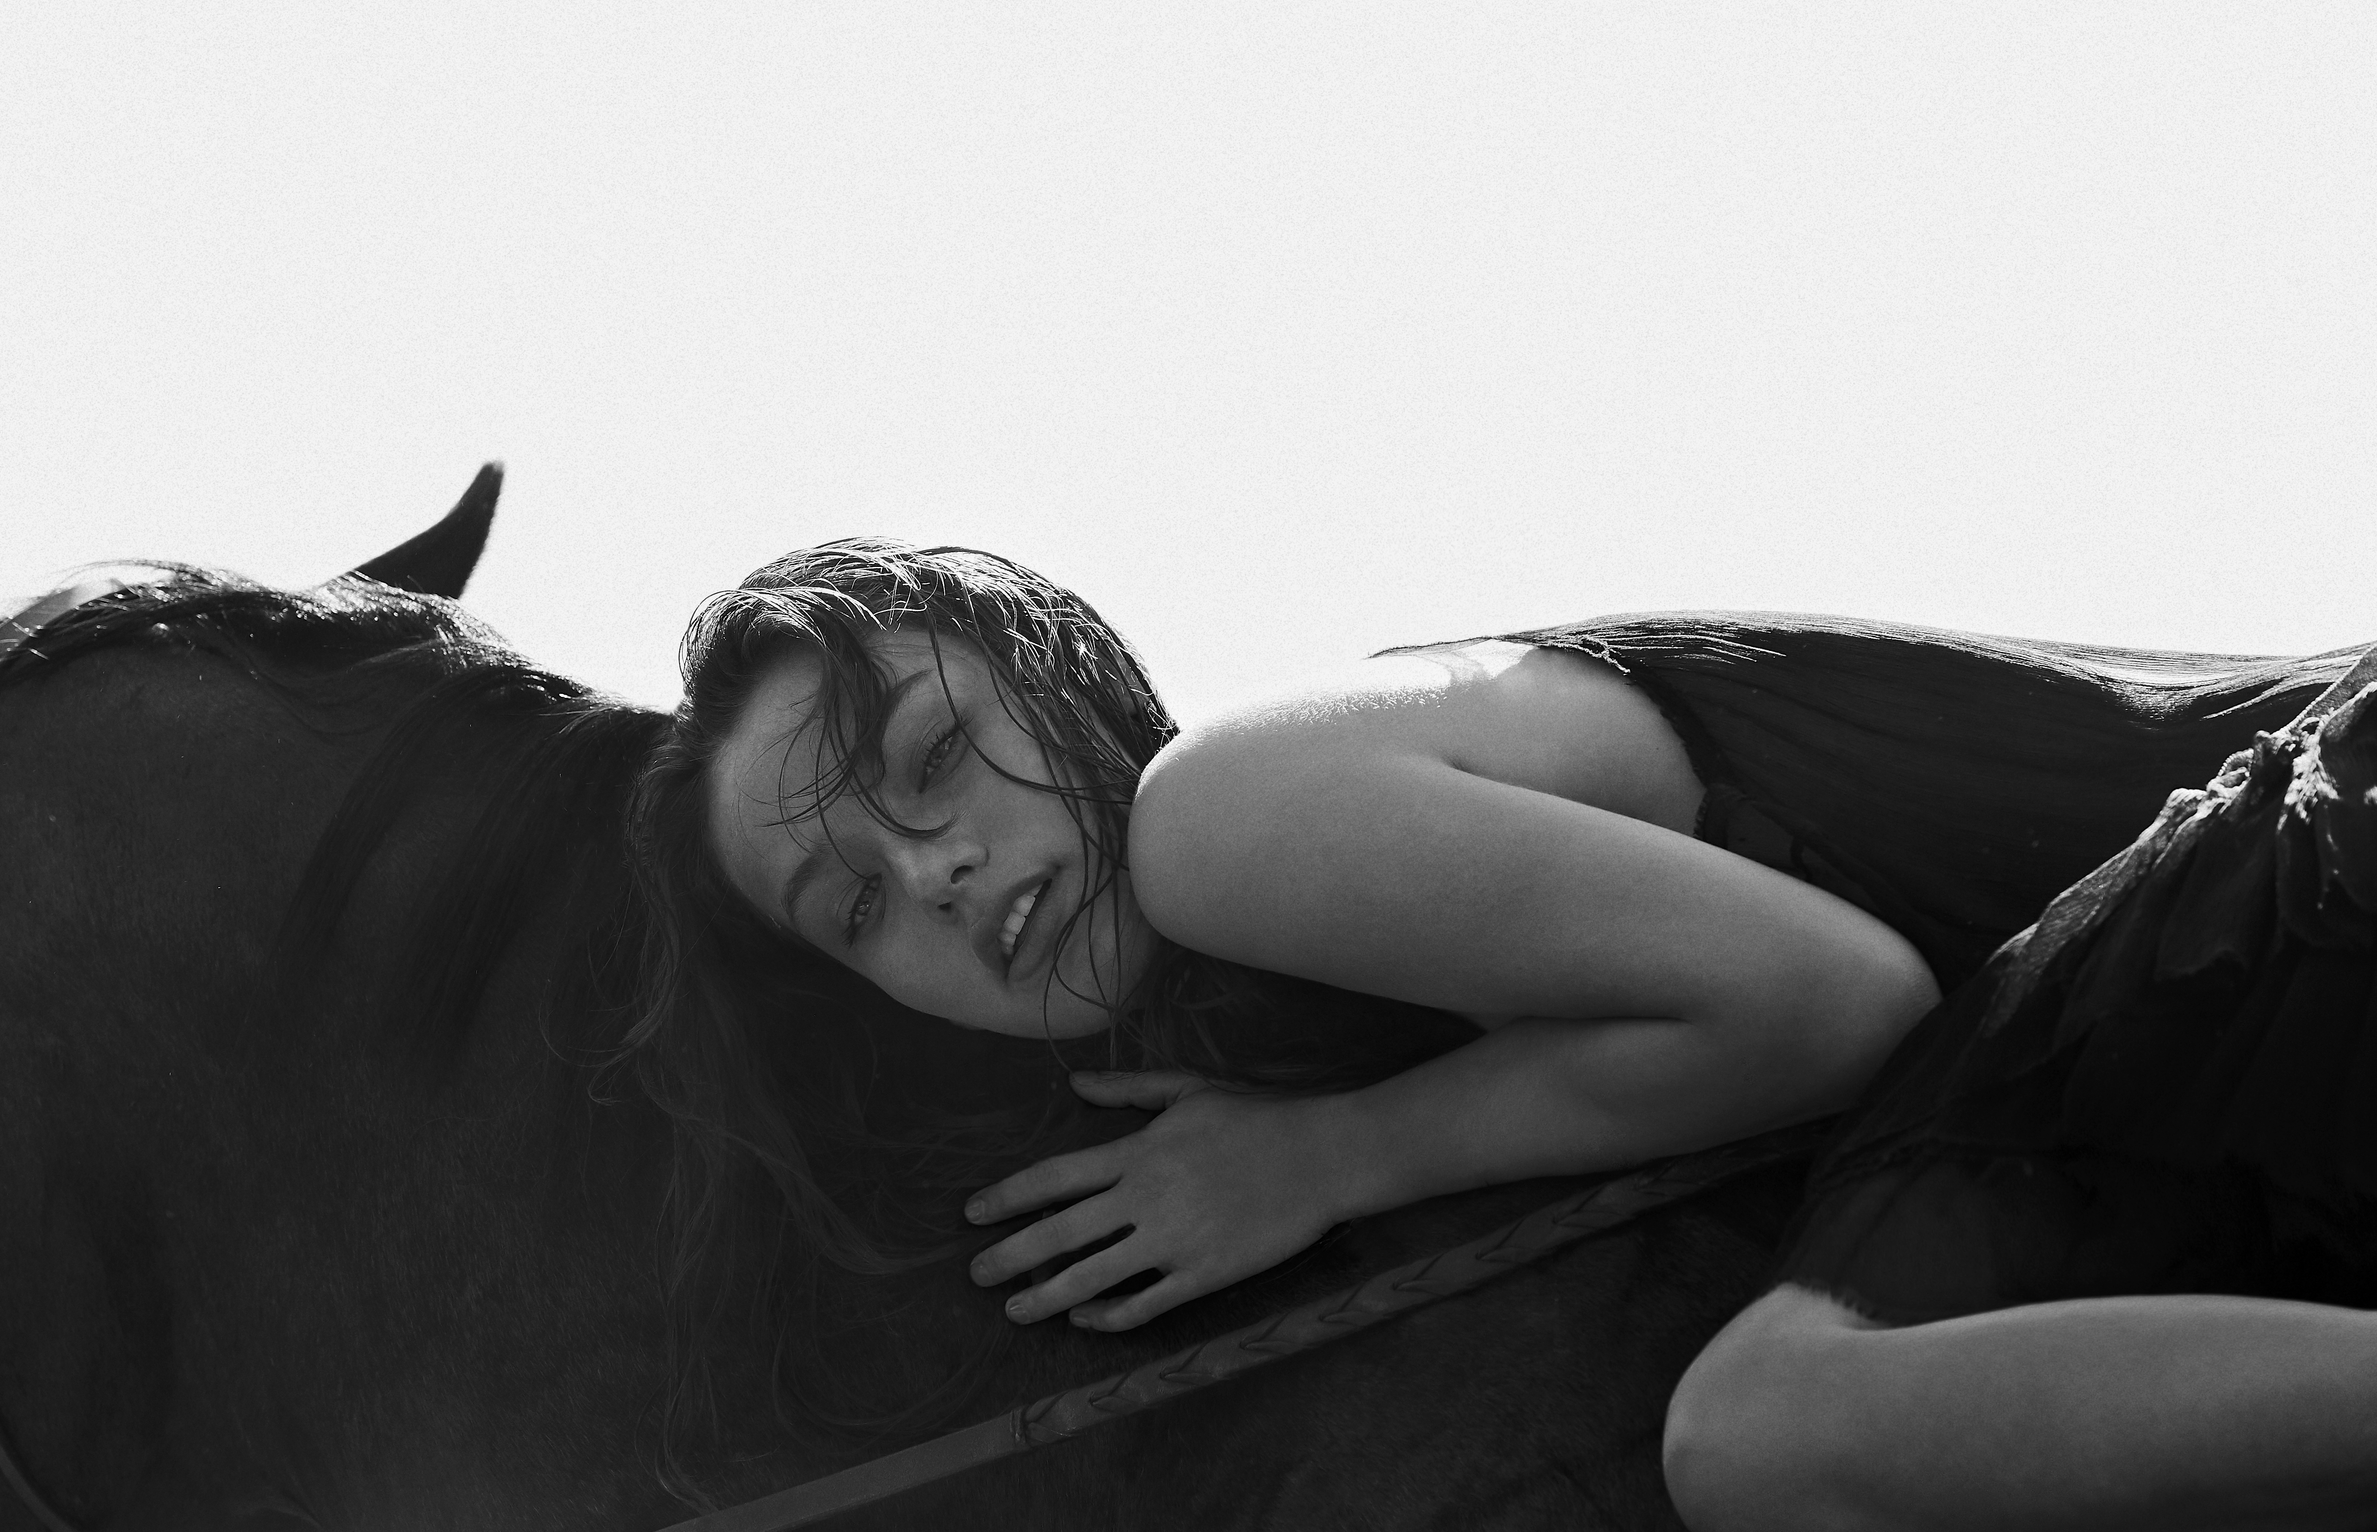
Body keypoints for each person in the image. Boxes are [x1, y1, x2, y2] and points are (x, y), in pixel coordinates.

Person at [638, 537, 2358, 1347]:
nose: (932, 872)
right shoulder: (1340, 982)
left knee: (1789, 1428)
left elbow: (1835, 1002)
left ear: (1051, 663)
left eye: (934, 757)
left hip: (2316, 860)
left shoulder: (1225, 816)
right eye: (852, 904)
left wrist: (1328, 1156)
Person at [1660, 649, 2377, 1531]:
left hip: (2264, 911)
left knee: (1760, 1427)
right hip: (2246, 891)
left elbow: (1832, 1000)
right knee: (1760, 1425)